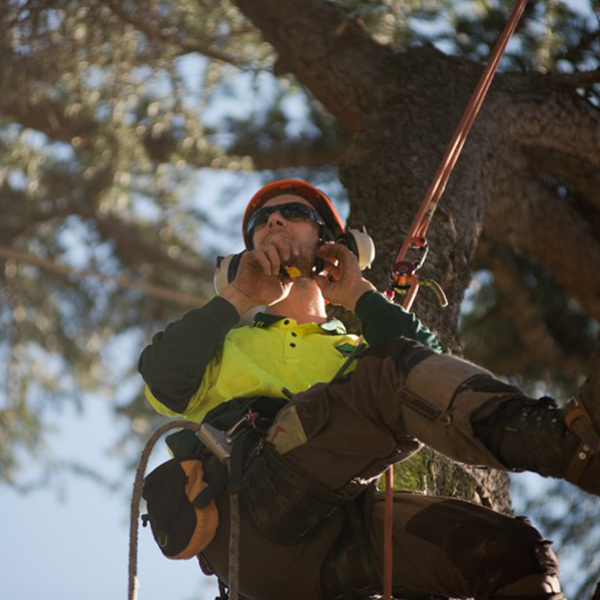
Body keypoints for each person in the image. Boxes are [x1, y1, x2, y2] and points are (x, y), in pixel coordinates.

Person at [139, 180, 599, 600]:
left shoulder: (355, 352)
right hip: (249, 514)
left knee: (511, 552)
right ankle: (570, 446)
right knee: (389, 372)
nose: (273, 221)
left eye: (293, 213)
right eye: (262, 221)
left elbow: (427, 366)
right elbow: (162, 374)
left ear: (332, 248)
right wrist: (240, 296)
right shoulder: (224, 344)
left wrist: (358, 292)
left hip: (339, 540)